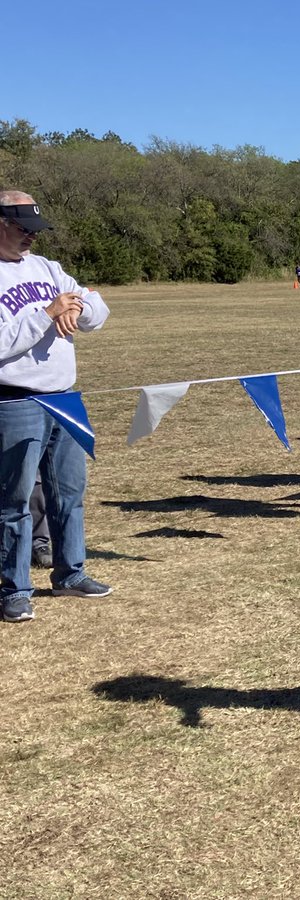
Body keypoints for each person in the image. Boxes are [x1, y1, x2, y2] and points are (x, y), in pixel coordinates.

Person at [0, 191, 112, 623]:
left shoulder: (47, 267)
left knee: (69, 493)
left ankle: (70, 573)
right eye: (22, 228)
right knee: (13, 501)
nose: (31, 237)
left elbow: (98, 312)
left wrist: (77, 305)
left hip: (65, 397)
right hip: (15, 400)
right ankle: (14, 589)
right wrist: (46, 314)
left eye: (35, 230)